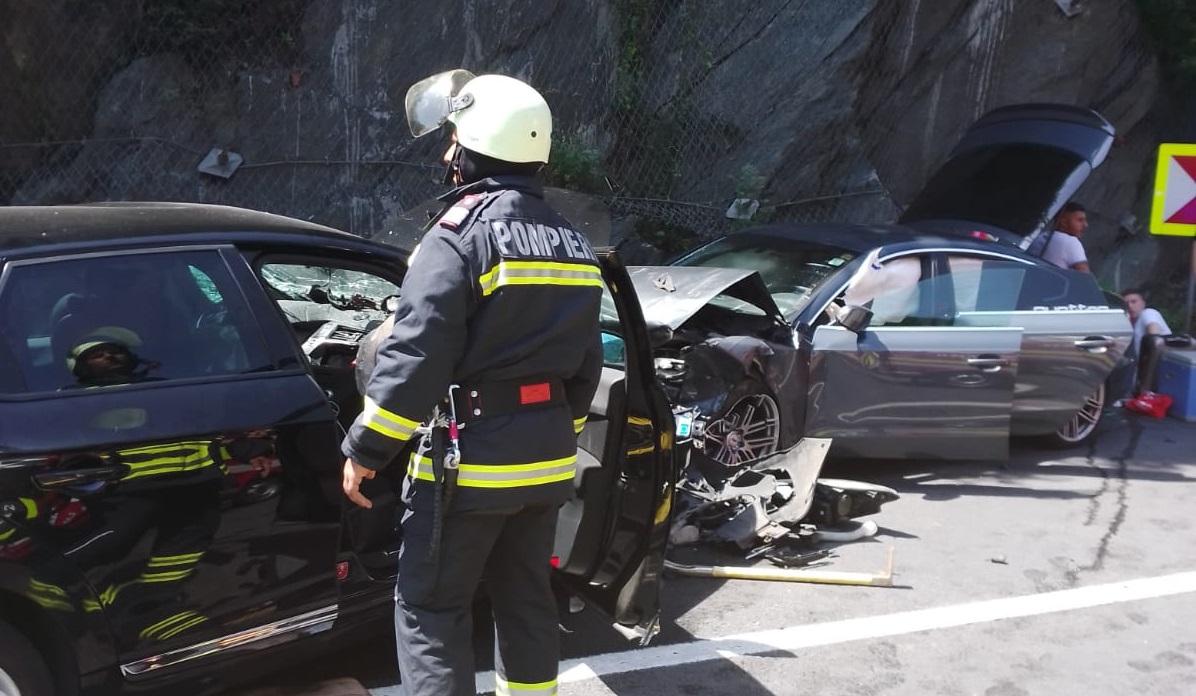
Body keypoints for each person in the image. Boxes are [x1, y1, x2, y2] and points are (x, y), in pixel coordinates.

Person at [340, 69, 604, 696]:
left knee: (430, 611)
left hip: (470, 467)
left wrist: (366, 450)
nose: (446, 156)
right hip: (546, 464)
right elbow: (586, 364)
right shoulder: (574, 245)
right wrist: (554, 432)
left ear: (476, 147)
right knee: (526, 602)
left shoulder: (457, 238)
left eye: (454, 141)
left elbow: (415, 356)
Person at [1122, 288, 1173, 393]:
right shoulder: (1131, 324)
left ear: (1143, 303)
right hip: (1145, 372)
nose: (1130, 306)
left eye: (1134, 302)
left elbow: (1154, 337)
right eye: (1126, 304)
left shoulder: (1148, 313)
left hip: (1158, 369)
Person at [1040, 201, 1091, 272]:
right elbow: (1084, 276)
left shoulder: (1041, 237)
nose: (1085, 225)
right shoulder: (1071, 242)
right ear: (1063, 222)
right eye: (1080, 220)